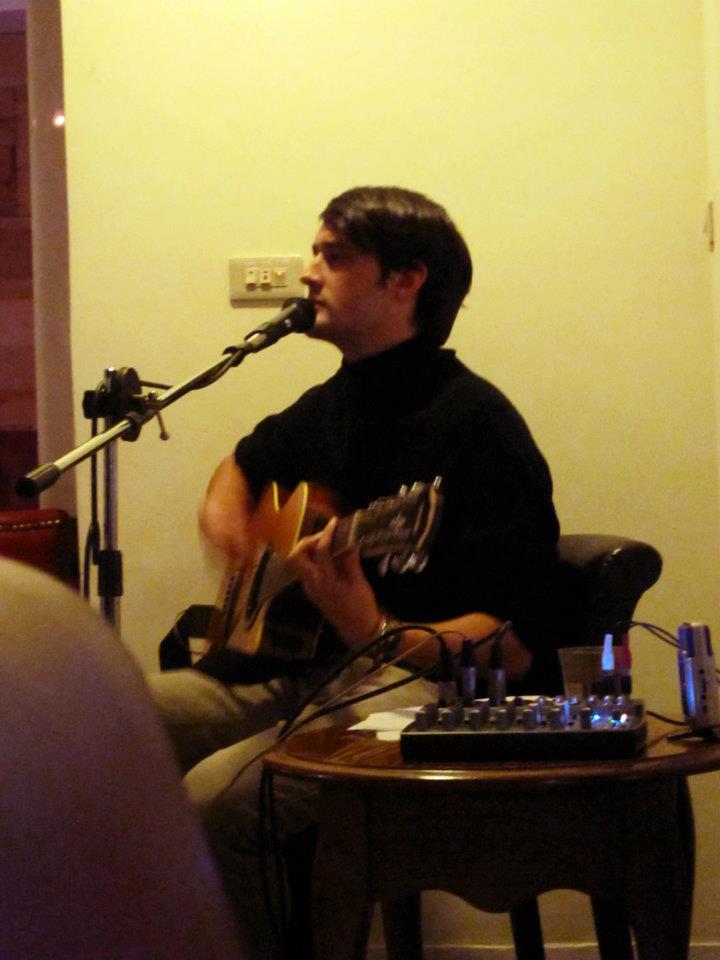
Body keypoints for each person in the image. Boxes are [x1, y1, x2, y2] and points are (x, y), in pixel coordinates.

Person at [149, 186, 564, 957]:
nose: (308, 272)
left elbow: (509, 645)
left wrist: (371, 627)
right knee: (116, 719)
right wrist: (230, 521)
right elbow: (241, 466)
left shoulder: (479, 426)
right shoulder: (332, 402)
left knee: (220, 799)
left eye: (334, 257)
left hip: (435, 695)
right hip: (306, 667)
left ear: (405, 280)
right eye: (314, 252)